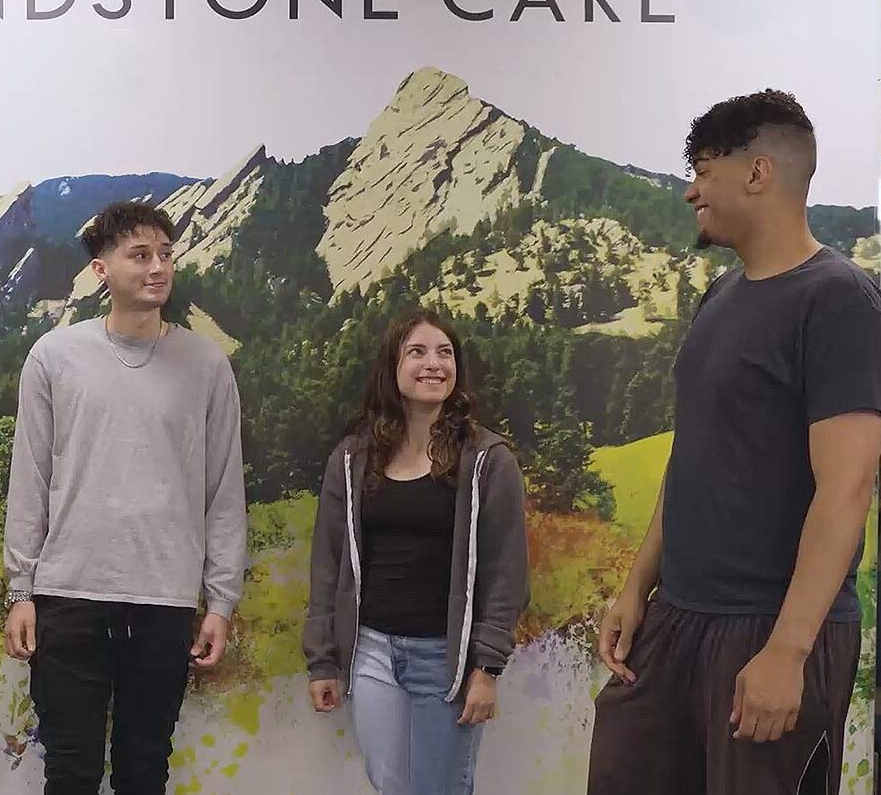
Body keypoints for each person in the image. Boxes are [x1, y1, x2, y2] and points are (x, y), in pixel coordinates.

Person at [589, 90, 881, 795]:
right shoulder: (719, 296)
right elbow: (693, 456)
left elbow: (845, 489)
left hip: (769, 630)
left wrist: (786, 650)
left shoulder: (839, 299)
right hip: (677, 619)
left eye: (701, 169)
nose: (690, 190)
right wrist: (637, 586)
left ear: (757, 173)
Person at [2, 201, 248, 795]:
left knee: (144, 771)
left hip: (163, 600)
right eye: (140, 255)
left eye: (166, 255)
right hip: (68, 598)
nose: (158, 268)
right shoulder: (55, 356)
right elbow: (30, 479)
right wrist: (21, 590)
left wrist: (220, 601)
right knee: (71, 771)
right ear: (100, 270)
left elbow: (224, 490)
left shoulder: (207, 363)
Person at [303, 308, 528, 794]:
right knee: (391, 785)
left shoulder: (489, 460)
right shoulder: (351, 458)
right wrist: (323, 660)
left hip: (445, 657)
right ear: (392, 367)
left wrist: (486, 668)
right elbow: (328, 564)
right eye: (418, 352)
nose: (434, 364)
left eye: (445, 353)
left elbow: (507, 573)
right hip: (372, 653)